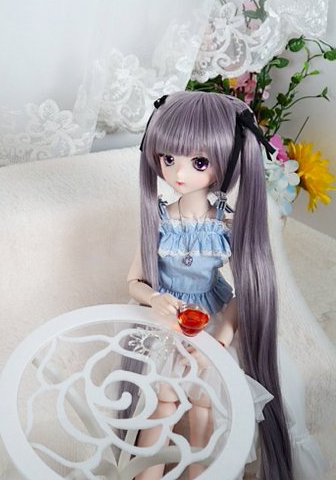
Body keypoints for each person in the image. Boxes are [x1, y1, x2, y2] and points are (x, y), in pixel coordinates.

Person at [126, 90, 326, 479]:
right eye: (168, 159)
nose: (179, 173)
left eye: (199, 162)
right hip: (167, 321)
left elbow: (246, 292)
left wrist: (222, 334)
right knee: (162, 400)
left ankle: (199, 471)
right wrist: (153, 297)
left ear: (226, 163)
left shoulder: (226, 225)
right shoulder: (157, 220)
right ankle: (146, 471)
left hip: (209, 319)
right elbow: (133, 279)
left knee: (204, 401)